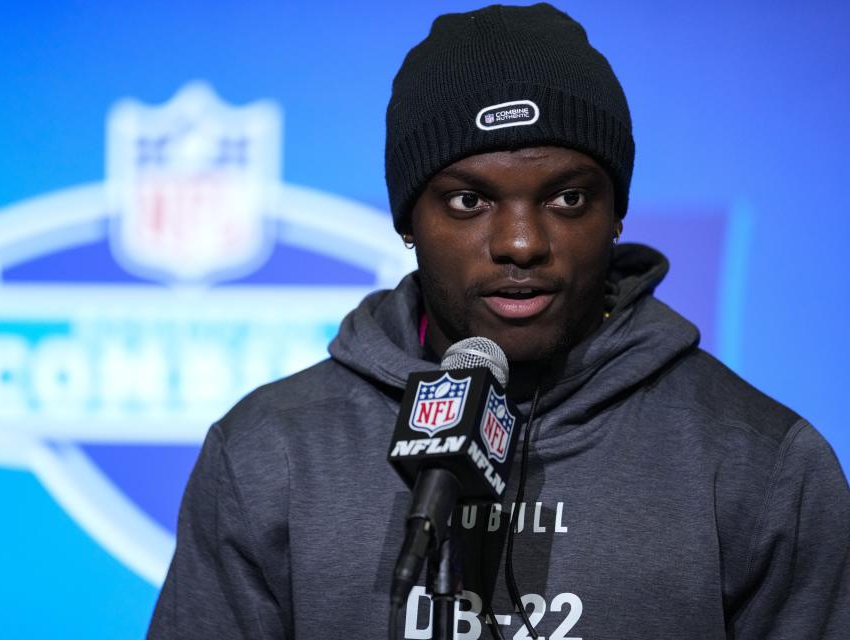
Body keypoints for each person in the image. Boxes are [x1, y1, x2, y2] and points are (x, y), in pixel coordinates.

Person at [148, 4, 850, 639]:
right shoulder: (271, 454)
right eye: (468, 202)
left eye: (569, 198)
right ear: (407, 222)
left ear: (617, 214)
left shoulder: (762, 464)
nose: (521, 243)